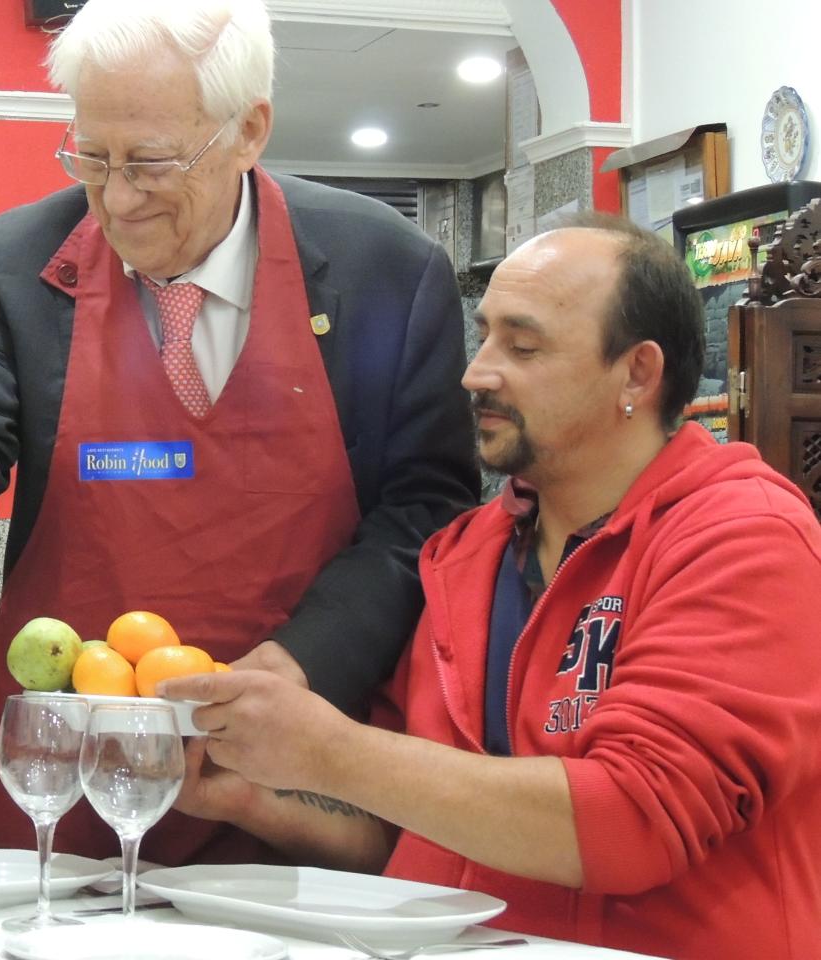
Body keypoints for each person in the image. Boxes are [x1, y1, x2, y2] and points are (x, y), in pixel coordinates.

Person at [0, 0, 477, 863]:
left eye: (150, 163)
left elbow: (427, 505)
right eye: (91, 158)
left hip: (292, 778)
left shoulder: (384, 273)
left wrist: (299, 664)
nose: (117, 199)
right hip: (63, 771)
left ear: (248, 131)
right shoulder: (21, 259)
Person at [162, 217, 821, 959]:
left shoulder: (743, 536)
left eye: (523, 346)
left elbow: (638, 819)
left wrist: (330, 750)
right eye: (484, 338)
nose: (477, 372)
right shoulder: (464, 553)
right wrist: (248, 792)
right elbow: (409, 832)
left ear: (637, 373)